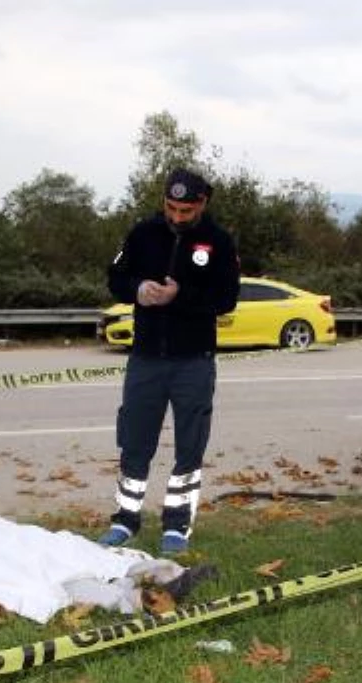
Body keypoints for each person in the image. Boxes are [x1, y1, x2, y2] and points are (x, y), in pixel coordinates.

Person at [97, 168, 240, 555]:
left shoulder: (219, 242)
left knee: (190, 444)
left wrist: (182, 295)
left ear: (202, 204)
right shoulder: (143, 233)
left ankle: (177, 526)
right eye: (172, 208)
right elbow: (115, 277)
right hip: (145, 358)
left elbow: (226, 299)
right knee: (134, 440)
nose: (178, 217)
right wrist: (137, 290)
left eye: (186, 210)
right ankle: (125, 520)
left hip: (194, 360)